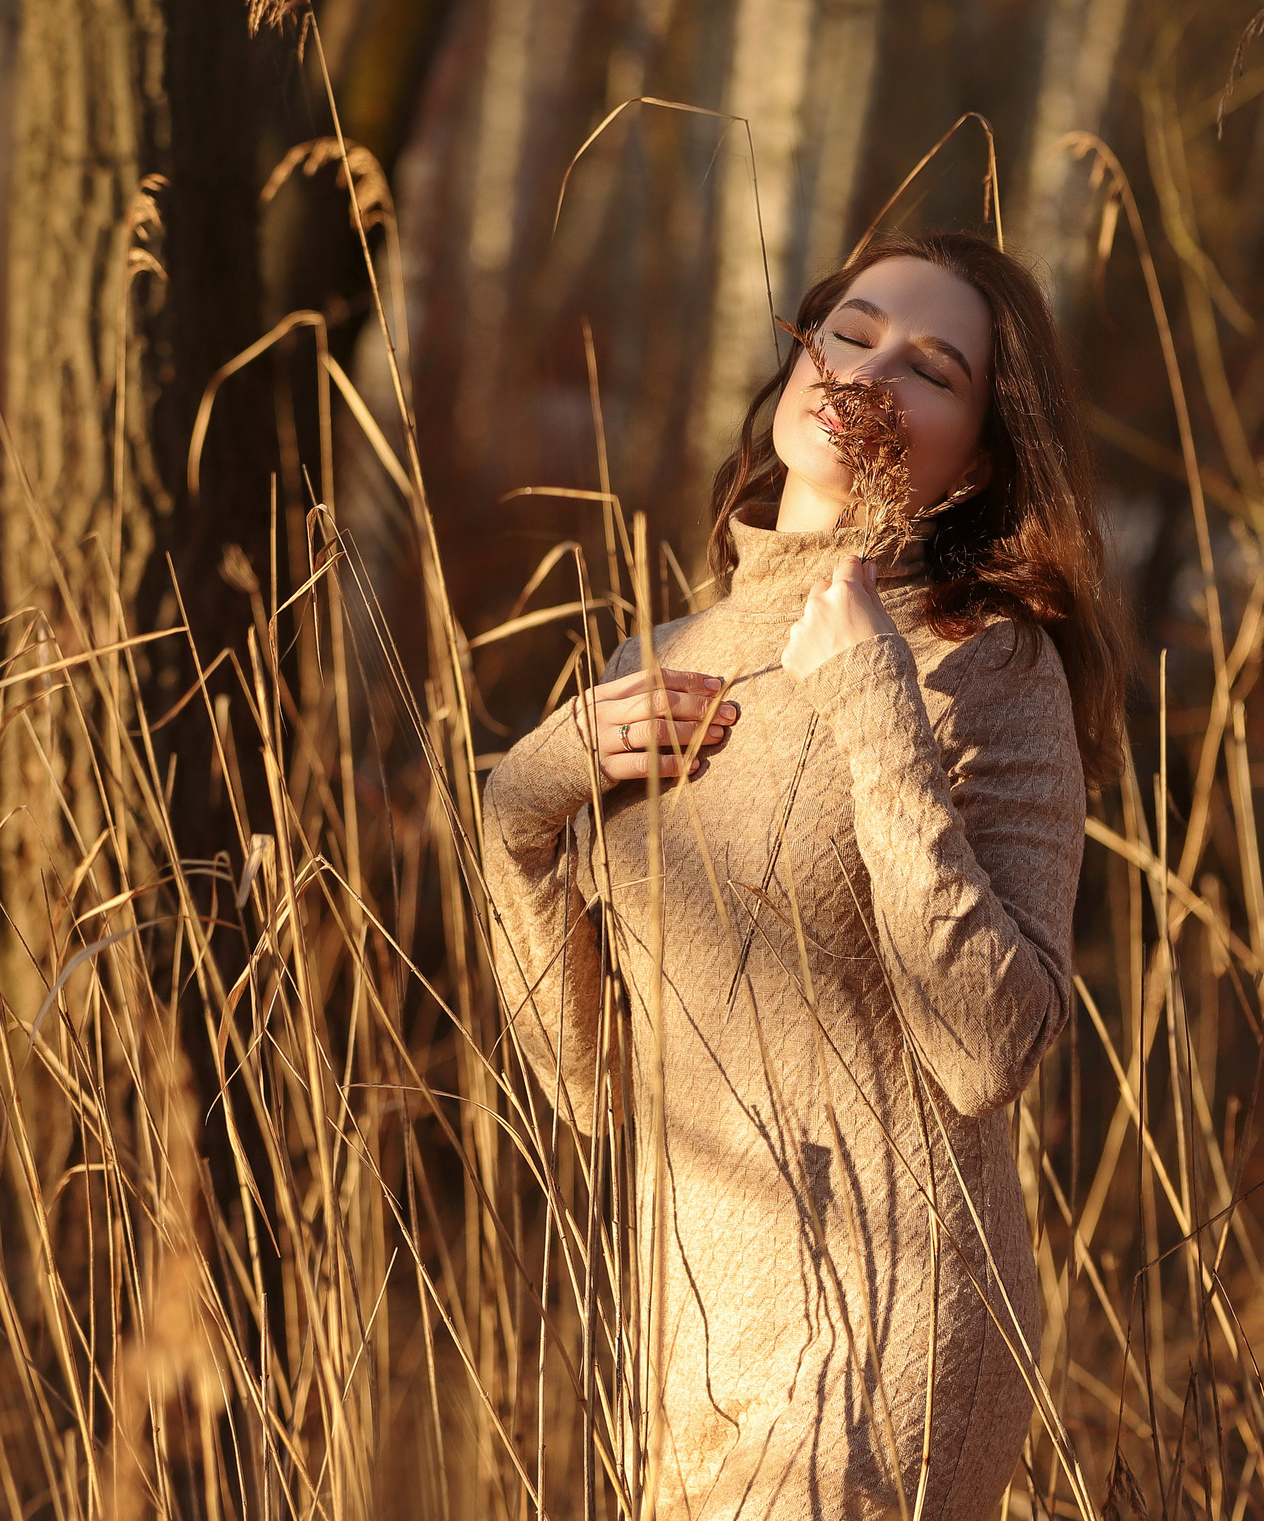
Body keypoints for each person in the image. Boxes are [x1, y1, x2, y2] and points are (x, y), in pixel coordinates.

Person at [480, 230, 1126, 1519]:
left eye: (932, 366)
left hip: (892, 1321)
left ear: (984, 453)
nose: (869, 371)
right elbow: (591, 1078)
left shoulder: (990, 664)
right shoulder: (659, 653)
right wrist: (520, 814)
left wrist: (879, 712)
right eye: (851, 329)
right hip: (688, 1331)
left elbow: (991, 1046)